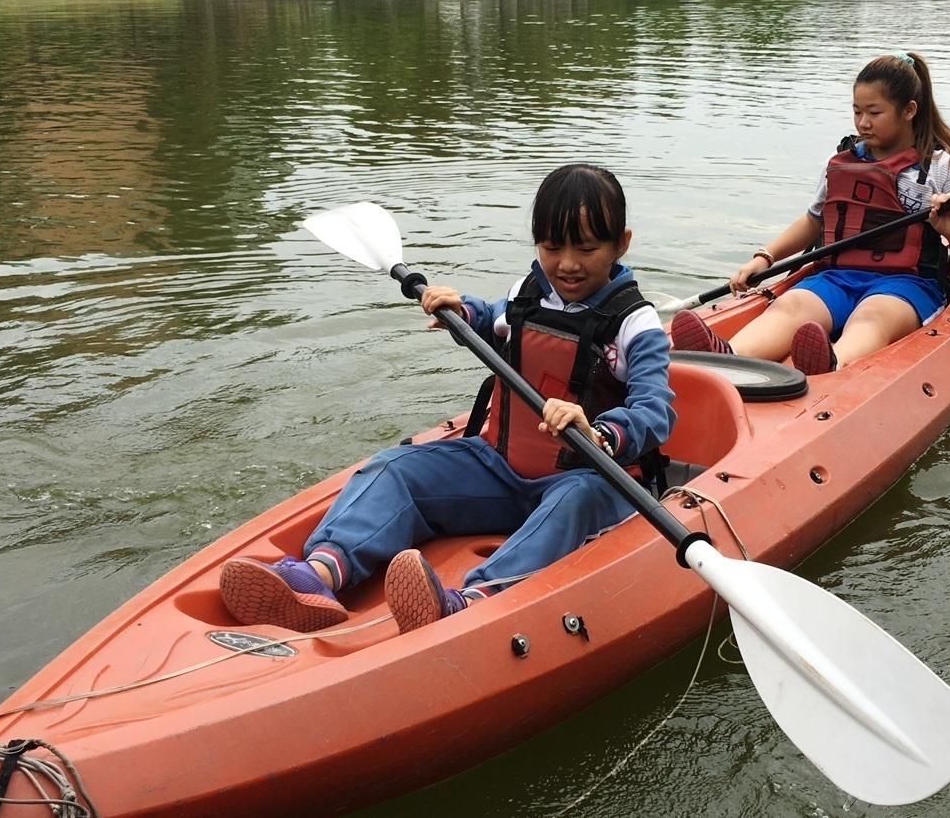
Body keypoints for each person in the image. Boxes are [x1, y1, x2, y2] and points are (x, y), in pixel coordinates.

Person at [220, 164, 676, 635]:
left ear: (620, 243)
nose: (566, 264)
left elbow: (655, 411)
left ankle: (473, 600)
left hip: (588, 482)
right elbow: (496, 318)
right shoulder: (530, 291)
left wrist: (600, 432)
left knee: (576, 497)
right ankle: (318, 575)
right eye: (551, 247)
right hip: (502, 467)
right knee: (395, 467)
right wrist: (464, 310)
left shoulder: (634, 325)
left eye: (586, 248)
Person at [671, 52, 950, 374]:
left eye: (874, 112)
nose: (863, 122)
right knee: (792, 306)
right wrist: (763, 257)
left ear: (909, 110)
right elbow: (813, 220)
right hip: (837, 276)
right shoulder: (839, 162)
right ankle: (725, 356)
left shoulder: (944, 169)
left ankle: (834, 362)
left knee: (872, 315)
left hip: (906, 283)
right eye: (857, 111)